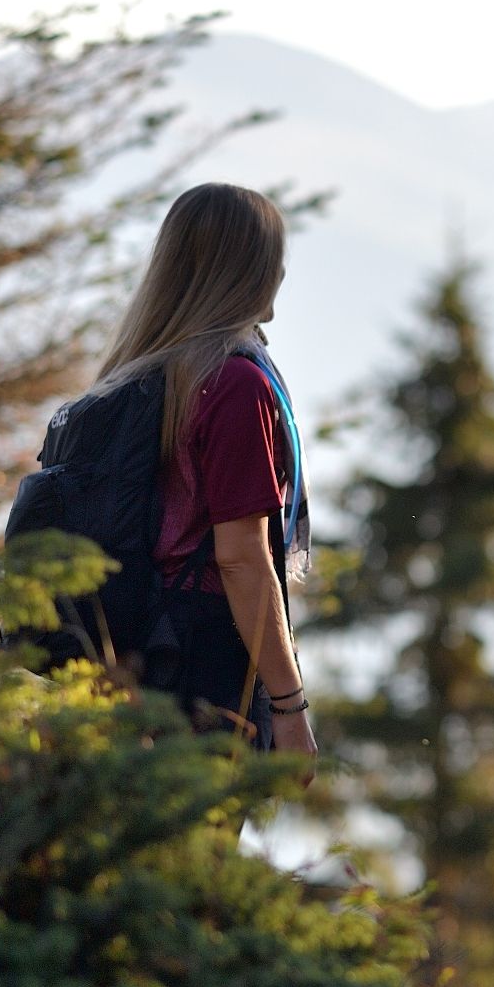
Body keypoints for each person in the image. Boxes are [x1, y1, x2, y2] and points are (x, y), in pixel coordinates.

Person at [88, 182, 317, 771]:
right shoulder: (234, 383)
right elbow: (240, 557)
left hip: (131, 651)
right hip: (203, 659)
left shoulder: (139, 373)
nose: (283, 274)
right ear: (250, 271)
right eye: (275, 258)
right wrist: (289, 706)